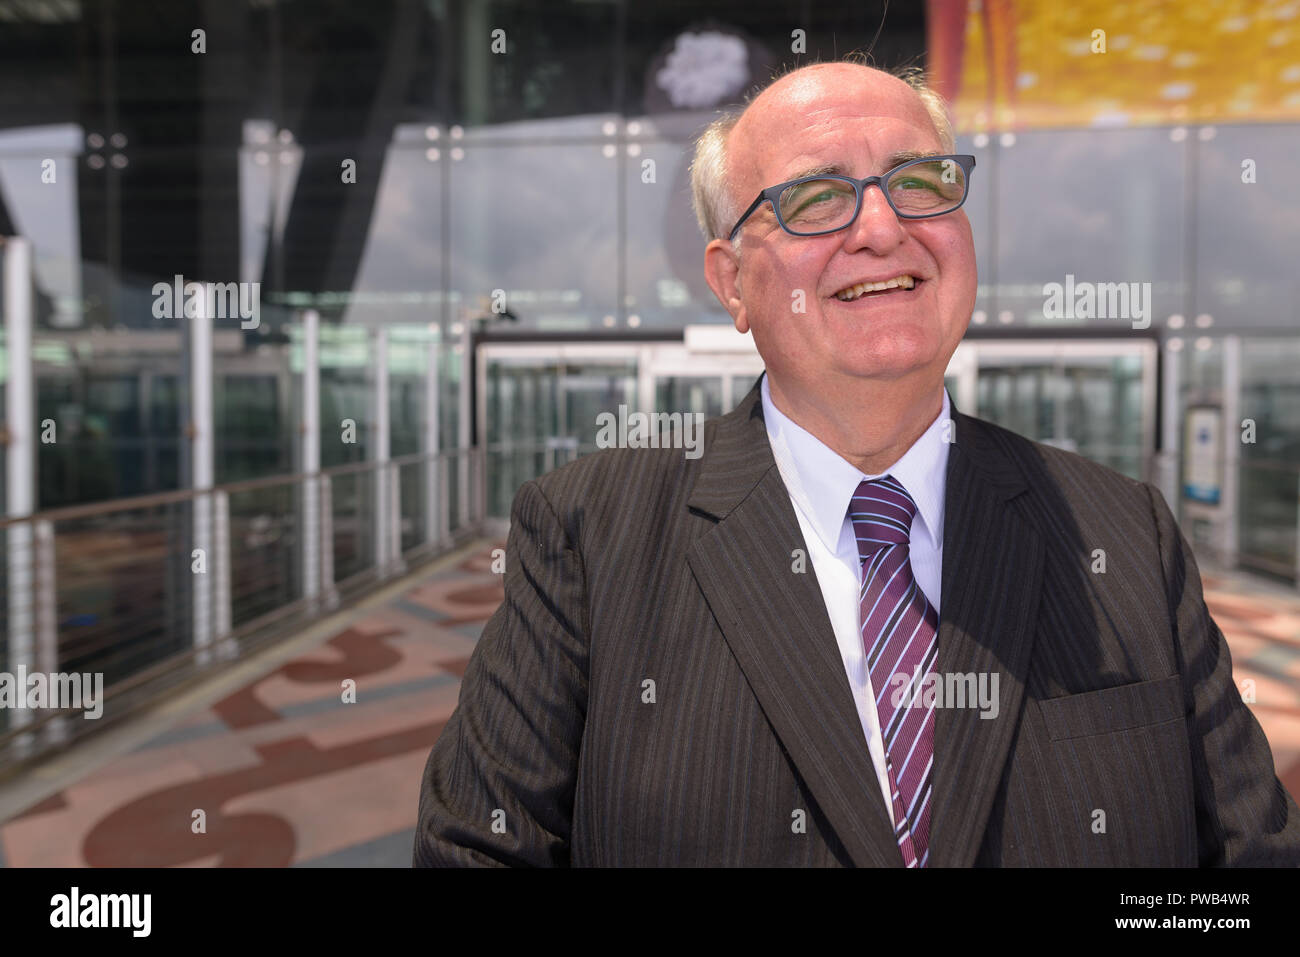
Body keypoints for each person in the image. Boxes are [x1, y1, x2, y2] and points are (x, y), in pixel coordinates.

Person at [414, 60, 1300, 866]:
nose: (883, 226)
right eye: (816, 198)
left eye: (920, 182)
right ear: (729, 281)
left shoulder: (1123, 533)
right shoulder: (589, 535)